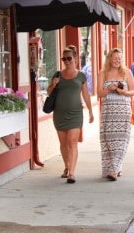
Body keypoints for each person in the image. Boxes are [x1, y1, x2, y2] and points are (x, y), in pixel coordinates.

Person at [46, 45, 94, 184]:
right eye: (64, 59)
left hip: (75, 114)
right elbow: (49, 92)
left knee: (72, 142)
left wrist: (90, 111)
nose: (66, 61)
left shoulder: (81, 76)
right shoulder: (57, 75)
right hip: (59, 114)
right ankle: (67, 166)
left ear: (76, 59)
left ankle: (72, 173)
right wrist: (53, 84)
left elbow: (85, 94)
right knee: (63, 143)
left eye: (69, 58)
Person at [97, 48, 134, 181]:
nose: (117, 61)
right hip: (108, 112)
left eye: (119, 58)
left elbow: (133, 91)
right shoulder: (103, 73)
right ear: (109, 59)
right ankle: (116, 167)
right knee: (109, 140)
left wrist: (124, 92)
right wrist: (108, 89)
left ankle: (114, 170)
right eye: (115, 58)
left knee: (121, 140)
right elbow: (99, 94)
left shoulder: (127, 72)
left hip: (123, 111)